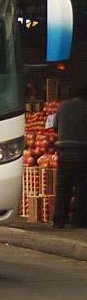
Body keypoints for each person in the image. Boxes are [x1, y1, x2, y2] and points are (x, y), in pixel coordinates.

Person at [52, 83, 87, 228]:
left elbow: (55, 127)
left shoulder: (62, 107)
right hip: (82, 153)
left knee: (63, 188)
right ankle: (78, 221)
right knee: (81, 188)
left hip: (64, 153)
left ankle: (59, 220)